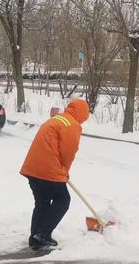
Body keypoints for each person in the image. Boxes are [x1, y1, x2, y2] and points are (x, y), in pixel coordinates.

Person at [20, 99, 90, 250]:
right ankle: (43, 234)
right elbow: (68, 152)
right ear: (83, 113)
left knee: (42, 202)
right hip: (49, 169)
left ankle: (35, 238)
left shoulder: (58, 119)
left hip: (33, 168)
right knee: (63, 200)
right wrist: (64, 171)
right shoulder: (72, 125)